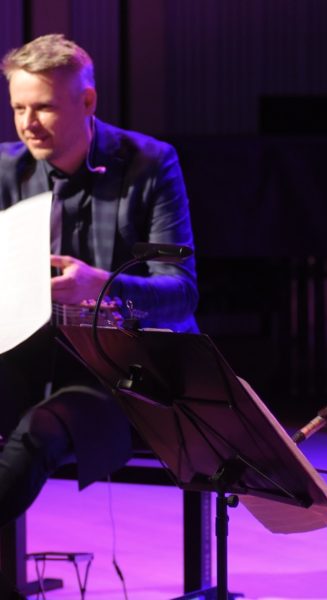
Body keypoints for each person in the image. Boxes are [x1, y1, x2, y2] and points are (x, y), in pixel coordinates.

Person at [0, 31, 198, 581]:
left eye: (43, 107)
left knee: (35, 436)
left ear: (87, 101)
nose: (27, 123)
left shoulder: (150, 164)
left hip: (117, 372)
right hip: (21, 359)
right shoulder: (5, 169)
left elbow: (182, 291)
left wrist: (100, 285)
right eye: (18, 108)